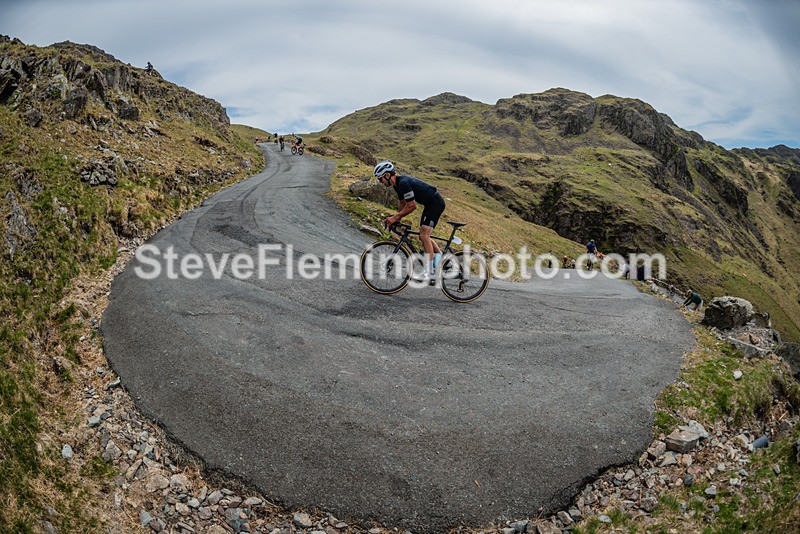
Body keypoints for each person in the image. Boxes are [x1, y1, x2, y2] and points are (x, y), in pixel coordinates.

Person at [375, 160, 445, 284]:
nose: (380, 182)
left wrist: (395, 218)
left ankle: (430, 273)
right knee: (423, 235)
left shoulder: (403, 183)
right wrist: (397, 219)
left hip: (436, 203)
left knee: (424, 235)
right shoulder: (397, 186)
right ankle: (440, 258)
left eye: (380, 179)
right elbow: (402, 203)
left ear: (387, 175)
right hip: (429, 204)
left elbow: (412, 206)